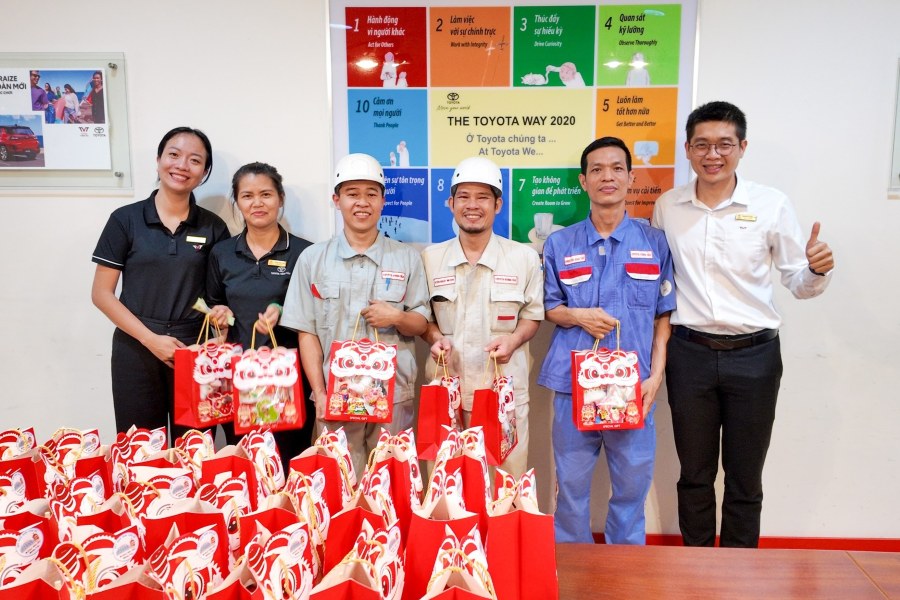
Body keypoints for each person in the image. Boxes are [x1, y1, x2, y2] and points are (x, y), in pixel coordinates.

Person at [652, 101, 834, 548]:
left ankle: (739, 575)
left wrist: (817, 270)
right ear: (689, 149)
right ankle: (696, 568)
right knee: (693, 474)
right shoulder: (668, 207)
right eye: (703, 145)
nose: (713, 154)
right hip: (689, 354)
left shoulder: (771, 205)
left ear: (742, 147)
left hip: (755, 357)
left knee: (745, 477)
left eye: (724, 144)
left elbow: (798, 282)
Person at [538, 137, 675, 544]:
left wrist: (657, 376)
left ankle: (623, 575)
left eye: (616, 168)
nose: (607, 177)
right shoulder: (560, 245)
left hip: (636, 389)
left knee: (632, 491)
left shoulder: (655, 243)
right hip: (571, 387)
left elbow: (664, 315)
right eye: (597, 170)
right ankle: (575, 575)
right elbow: (549, 308)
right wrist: (577, 315)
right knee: (572, 492)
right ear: (583, 181)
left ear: (631, 178)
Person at [280, 153, 430, 477]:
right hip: (334, 399)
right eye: (352, 193)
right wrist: (319, 394)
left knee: (390, 485)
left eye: (371, 194)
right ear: (337, 200)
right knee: (335, 486)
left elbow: (422, 323)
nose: (362, 202)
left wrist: (397, 317)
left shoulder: (407, 258)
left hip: (392, 398)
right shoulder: (312, 259)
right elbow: (306, 332)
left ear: (383, 200)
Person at [91, 127, 229, 442]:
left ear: (204, 172)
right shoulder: (125, 220)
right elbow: (101, 294)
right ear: (158, 160)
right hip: (135, 348)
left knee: (195, 449)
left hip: (194, 350)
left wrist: (220, 329)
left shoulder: (213, 227)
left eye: (195, 160)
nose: (182, 165)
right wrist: (150, 339)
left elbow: (215, 298)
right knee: (141, 450)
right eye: (174, 155)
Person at [421, 157, 543, 477]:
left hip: (503, 395)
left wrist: (514, 339)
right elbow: (424, 319)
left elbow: (532, 315)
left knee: (506, 485)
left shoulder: (524, 258)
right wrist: (435, 339)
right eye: (463, 196)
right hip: (447, 396)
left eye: (483, 197)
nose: (472, 205)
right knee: (445, 487)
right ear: (450, 203)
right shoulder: (430, 259)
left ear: (498, 204)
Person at [206, 162, 313, 469]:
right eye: (247, 195)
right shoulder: (222, 253)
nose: (257, 203)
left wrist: (283, 310)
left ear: (280, 199)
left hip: (290, 381)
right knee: (246, 465)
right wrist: (219, 313)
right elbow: (213, 304)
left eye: (266, 194)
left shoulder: (304, 252)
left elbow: (315, 314)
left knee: (291, 463)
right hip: (239, 381)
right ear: (237, 202)